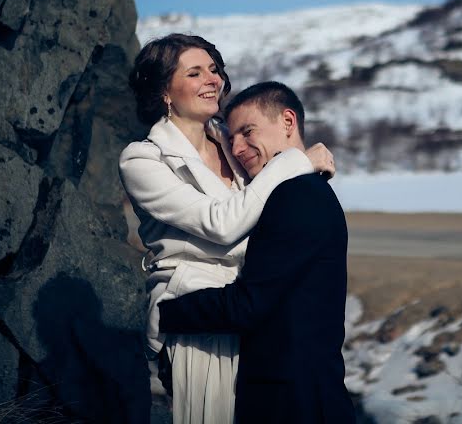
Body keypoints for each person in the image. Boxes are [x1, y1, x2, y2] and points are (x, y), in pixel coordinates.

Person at [119, 34, 335, 424]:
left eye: (215, 70)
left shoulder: (232, 143)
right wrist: (295, 160)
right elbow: (220, 225)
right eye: (195, 72)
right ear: (164, 89)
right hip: (198, 318)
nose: (212, 80)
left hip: (250, 312)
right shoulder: (142, 159)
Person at [158, 81, 355, 424]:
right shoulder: (297, 190)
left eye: (248, 131)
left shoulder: (297, 196)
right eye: (231, 138)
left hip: (295, 403)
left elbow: (248, 305)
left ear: (288, 122)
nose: (237, 147)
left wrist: (165, 312)